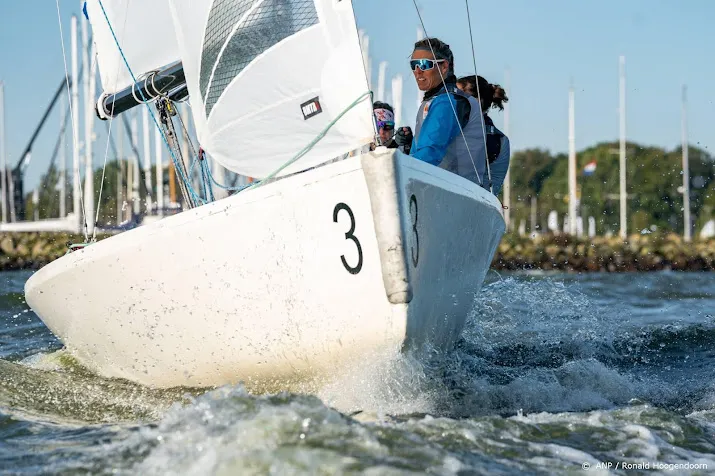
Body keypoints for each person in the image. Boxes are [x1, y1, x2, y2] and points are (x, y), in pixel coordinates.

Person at [400, 37, 487, 186]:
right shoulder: (437, 100)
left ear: (444, 66)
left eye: (424, 65)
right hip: (449, 190)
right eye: (413, 65)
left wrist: (398, 172)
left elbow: (430, 151)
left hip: (454, 192)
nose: (417, 71)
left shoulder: (447, 102)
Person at [456, 75, 511, 195]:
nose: (452, 101)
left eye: (459, 97)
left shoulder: (492, 139)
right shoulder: (500, 138)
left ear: (477, 101)